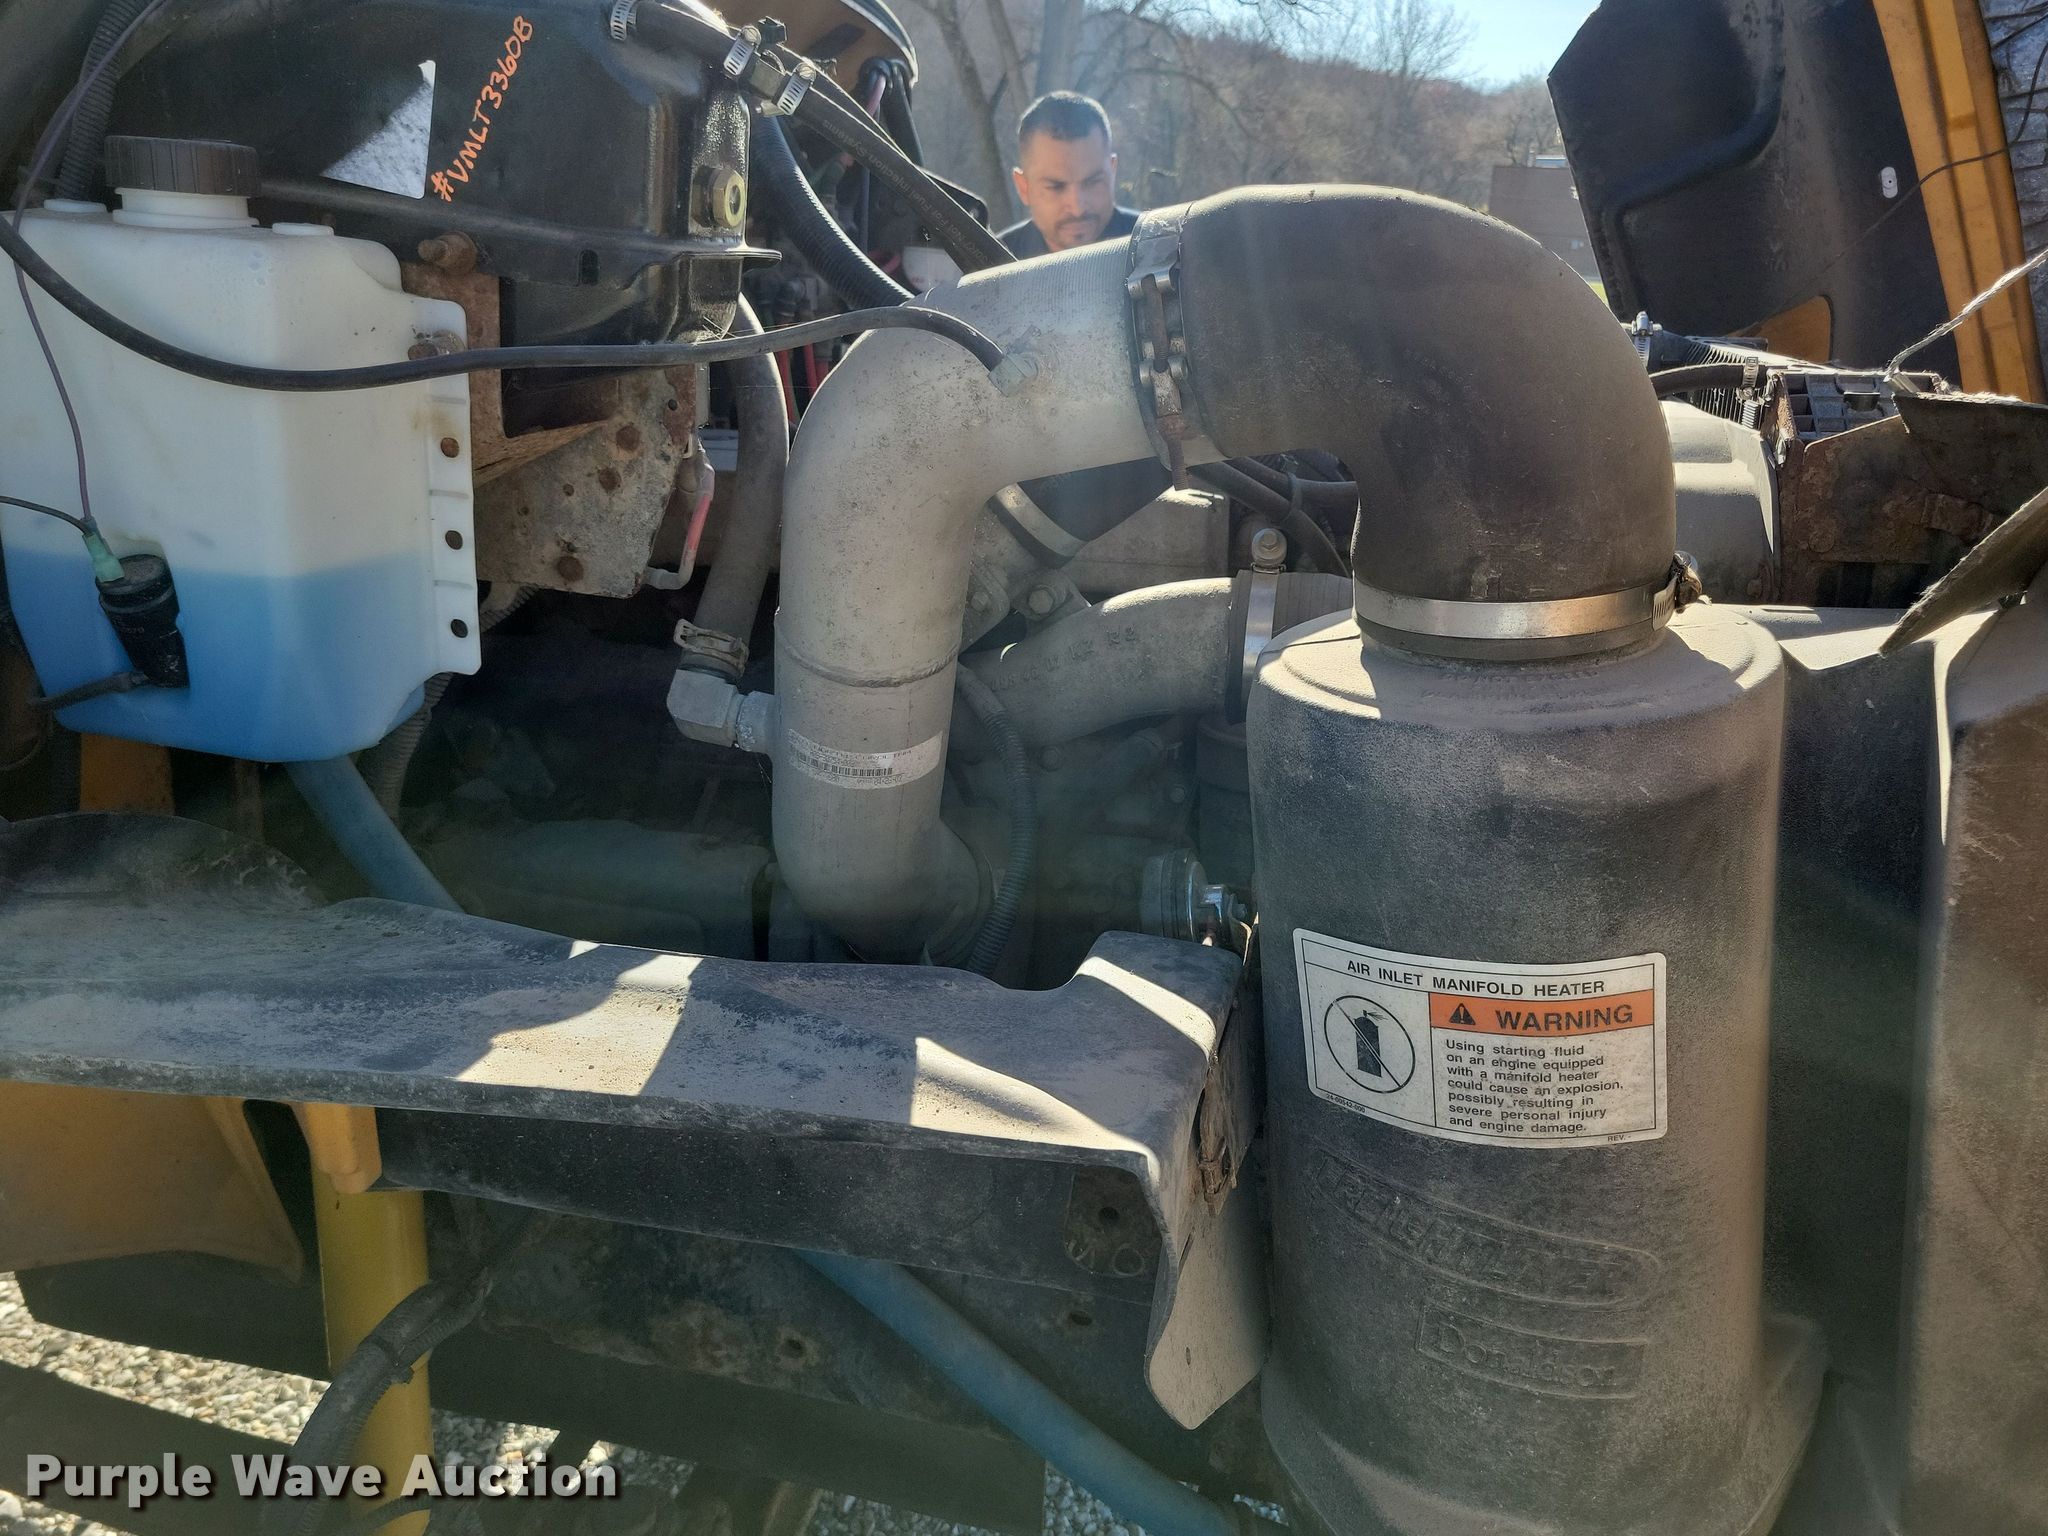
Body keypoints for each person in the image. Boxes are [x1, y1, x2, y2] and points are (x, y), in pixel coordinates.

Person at [998, 92, 1140, 257]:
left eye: (1092, 182)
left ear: (1112, 171)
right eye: (1055, 187)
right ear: (1023, 187)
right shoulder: (993, 265)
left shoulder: (1158, 249)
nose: (1077, 209)